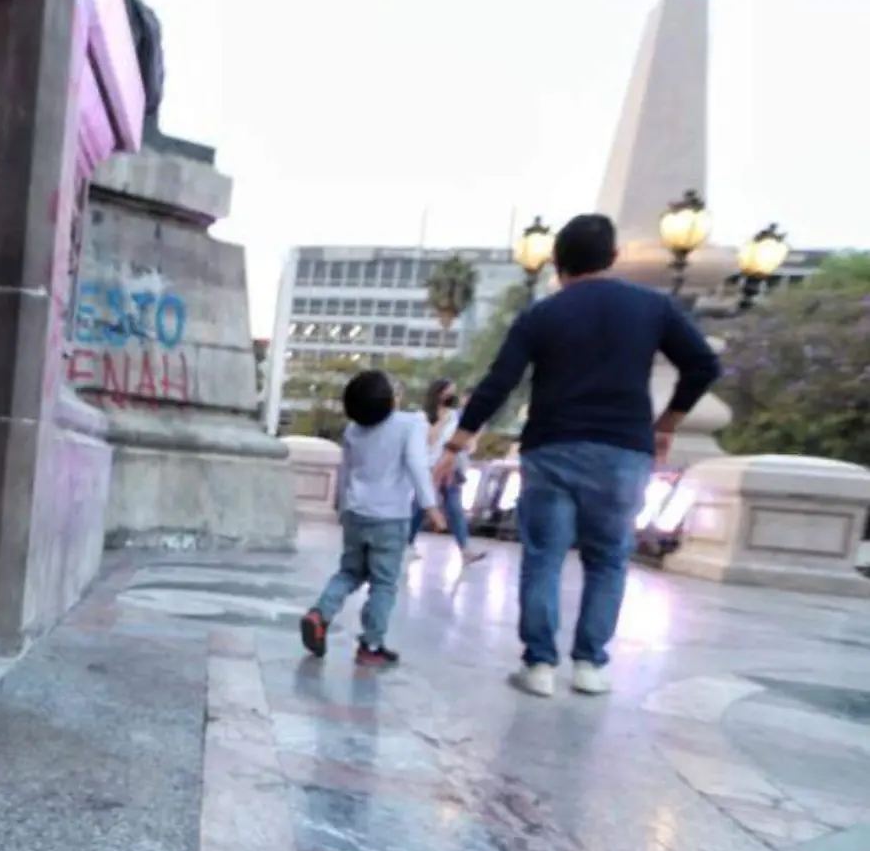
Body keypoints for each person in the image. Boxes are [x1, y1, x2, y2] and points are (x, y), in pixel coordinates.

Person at [434, 214, 720, 697]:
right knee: (608, 559)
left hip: (553, 447)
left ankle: (540, 665)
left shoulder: (543, 315)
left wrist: (456, 445)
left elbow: (498, 383)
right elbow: (704, 365)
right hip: (624, 450)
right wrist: (667, 422)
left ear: (557, 261)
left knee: (544, 557)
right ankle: (590, 664)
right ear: (612, 258)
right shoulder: (653, 307)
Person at [301, 370, 445, 667]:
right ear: (389, 399)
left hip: (356, 513)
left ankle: (320, 614)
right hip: (390, 517)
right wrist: (430, 505)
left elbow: (346, 472)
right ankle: (371, 644)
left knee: (349, 572)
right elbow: (417, 465)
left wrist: (341, 509)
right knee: (383, 583)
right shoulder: (410, 424)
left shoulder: (354, 430)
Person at [408, 378, 487, 565]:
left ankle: (465, 549)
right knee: (421, 507)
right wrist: (441, 421)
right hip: (428, 466)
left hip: (449, 468)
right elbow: (429, 439)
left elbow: (464, 440)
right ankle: (406, 543)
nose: (452, 396)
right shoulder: (422, 416)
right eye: (449, 392)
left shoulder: (455, 416)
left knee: (454, 507)